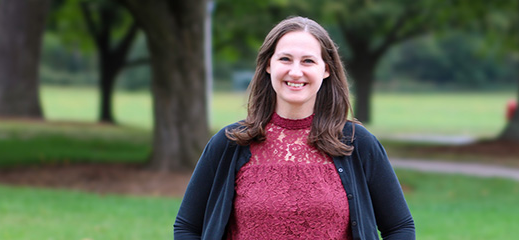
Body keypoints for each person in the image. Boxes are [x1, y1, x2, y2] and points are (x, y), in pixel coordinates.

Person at [173, 16, 415, 240]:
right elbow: (187, 227)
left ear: (326, 69)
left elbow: (400, 227)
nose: (296, 71)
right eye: (285, 59)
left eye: (308, 61)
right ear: (269, 65)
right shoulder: (230, 143)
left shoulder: (355, 142)